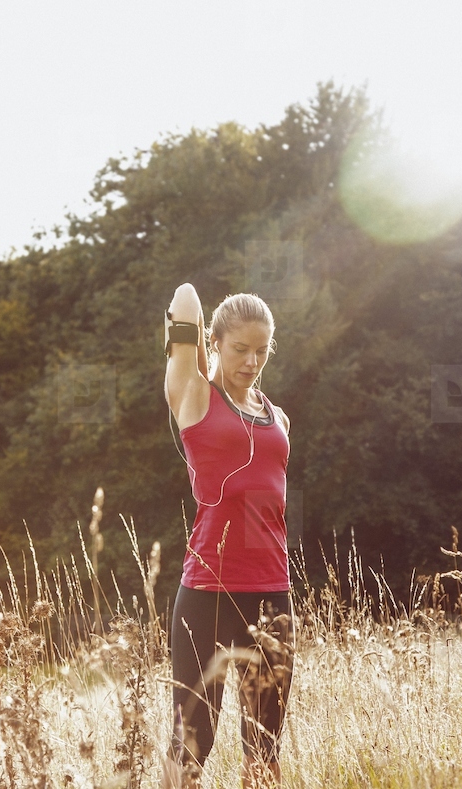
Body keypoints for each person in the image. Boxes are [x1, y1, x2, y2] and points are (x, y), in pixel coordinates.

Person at [162, 283, 296, 788]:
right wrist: (201, 353)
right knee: (193, 737)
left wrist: (223, 352)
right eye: (240, 348)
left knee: (265, 743)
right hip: (207, 593)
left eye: (262, 350)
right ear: (213, 342)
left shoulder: (276, 416)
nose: (252, 360)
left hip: (272, 592)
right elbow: (186, 296)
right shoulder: (194, 395)